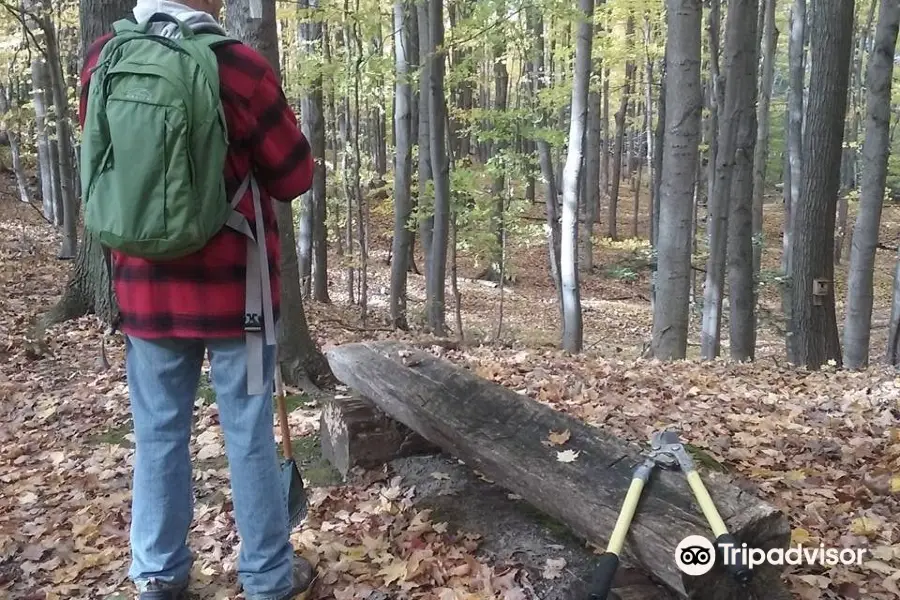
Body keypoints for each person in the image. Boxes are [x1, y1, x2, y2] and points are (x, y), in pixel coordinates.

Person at [78, 1, 315, 599]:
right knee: (248, 433)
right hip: (238, 291)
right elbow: (294, 175)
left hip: (144, 287)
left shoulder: (105, 59)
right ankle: (267, 579)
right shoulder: (238, 67)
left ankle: (158, 574)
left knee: (157, 433)